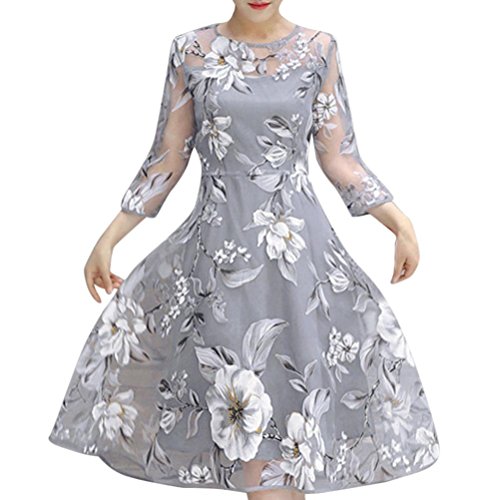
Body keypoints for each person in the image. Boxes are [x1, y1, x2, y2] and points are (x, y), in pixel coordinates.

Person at [48, 1, 440, 498]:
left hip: (298, 265)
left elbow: (339, 158)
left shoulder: (319, 49)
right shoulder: (191, 50)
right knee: (246, 428)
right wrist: (109, 238)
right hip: (220, 266)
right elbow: (167, 159)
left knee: (293, 443)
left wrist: (399, 224)